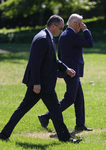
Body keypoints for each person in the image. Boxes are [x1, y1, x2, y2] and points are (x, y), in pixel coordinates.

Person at [0, 15, 82, 143]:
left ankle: (4, 134)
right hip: (42, 84)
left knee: (24, 109)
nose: (61, 31)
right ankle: (66, 139)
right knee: (55, 112)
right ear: (53, 26)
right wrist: (36, 83)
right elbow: (35, 63)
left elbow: (52, 59)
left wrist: (65, 69)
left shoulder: (47, 36)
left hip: (43, 83)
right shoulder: (42, 38)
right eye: (60, 28)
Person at [38, 14, 93, 131]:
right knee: (70, 98)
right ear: (74, 24)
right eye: (81, 24)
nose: (82, 26)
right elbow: (89, 43)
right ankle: (47, 116)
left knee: (79, 98)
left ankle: (80, 124)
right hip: (71, 71)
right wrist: (86, 30)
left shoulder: (64, 34)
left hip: (70, 70)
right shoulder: (71, 35)